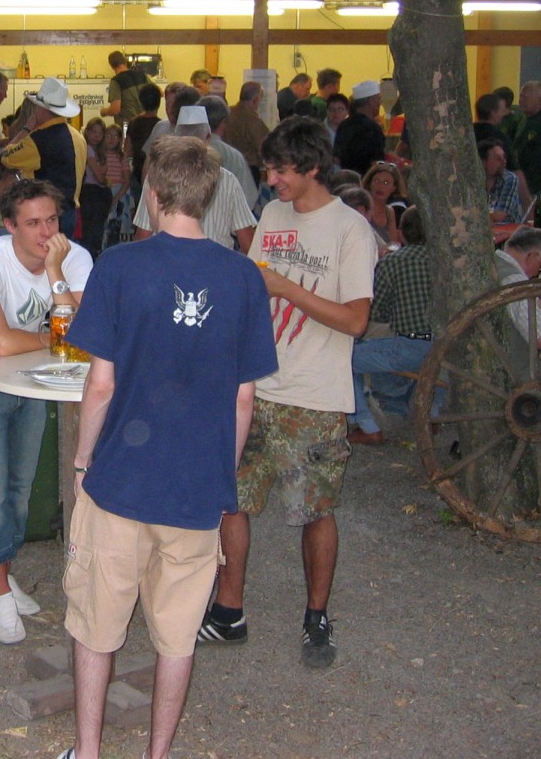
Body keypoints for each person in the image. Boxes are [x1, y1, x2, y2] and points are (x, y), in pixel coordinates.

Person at [56, 136, 277, 759]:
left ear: (152, 194)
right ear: (210, 196)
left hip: (121, 482)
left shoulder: (120, 266)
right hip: (196, 490)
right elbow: (243, 399)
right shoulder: (243, 276)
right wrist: (220, 474)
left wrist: (82, 461)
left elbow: (101, 384)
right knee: (177, 639)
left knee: (96, 627)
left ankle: (89, 752)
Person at [202, 116, 375, 669]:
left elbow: (356, 321)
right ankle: (229, 611)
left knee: (315, 511)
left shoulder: (350, 229)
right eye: (269, 169)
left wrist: (286, 287)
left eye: (280, 170)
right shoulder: (273, 215)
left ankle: (316, 616)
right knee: (232, 500)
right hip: (256, 385)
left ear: (313, 167)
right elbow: (254, 292)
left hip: (314, 395)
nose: (271, 179)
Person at [0, 179, 93, 644]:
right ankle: (0, 592)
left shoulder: (73, 257)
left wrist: (55, 271)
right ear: (8, 226)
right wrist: (56, 339)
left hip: (33, 384)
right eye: (32, 223)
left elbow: (88, 334)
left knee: (20, 488)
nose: (46, 232)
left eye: (52, 220)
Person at [346, 208, 433, 445]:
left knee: (344, 359)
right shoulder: (444, 262)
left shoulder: (392, 262)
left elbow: (378, 313)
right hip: (445, 346)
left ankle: (366, 425)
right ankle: (429, 413)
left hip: (411, 347)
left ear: (401, 233)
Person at [131, 105, 257, 252]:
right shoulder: (228, 180)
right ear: (208, 138)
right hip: (215, 263)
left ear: (176, 138)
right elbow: (248, 244)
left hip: (165, 262)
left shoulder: (157, 177)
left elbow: (142, 238)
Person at [0, 77, 86, 238]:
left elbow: (5, 157)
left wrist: (26, 127)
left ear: (41, 109)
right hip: (71, 211)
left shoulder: (37, 140)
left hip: (43, 213)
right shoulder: (78, 137)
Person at [496, 226, 541, 352]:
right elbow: (540, 339)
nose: (537, 273)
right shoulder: (516, 282)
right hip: (508, 359)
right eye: (540, 265)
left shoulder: (493, 262)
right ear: (532, 256)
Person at [512, 81, 541, 197]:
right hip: (523, 186)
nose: (521, 101)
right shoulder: (521, 120)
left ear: (540, 100)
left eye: (525, 97)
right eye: (520, 97)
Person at [333, 79, 387, 175]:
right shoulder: (373, 128)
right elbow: (377, 163)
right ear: (370, 101)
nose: (380, 103)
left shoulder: (344, 125)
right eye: (378, 99)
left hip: (348, 178)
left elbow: (336, 158)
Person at [79, 118, 113, 259]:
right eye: (93, 131)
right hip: (91, 193)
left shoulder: (99, 151)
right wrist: (104, 179)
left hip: (97, 193)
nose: (96, 136)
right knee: (92, 232)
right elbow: (99, 176)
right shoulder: (87, 149)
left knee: (96, 231)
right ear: (87, 131)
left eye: (100, 132)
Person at [224, 81, 269, 184]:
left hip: (226, 167)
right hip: (249, 170)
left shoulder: (227, 113)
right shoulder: (253, 120)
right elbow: (263, 145)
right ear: (255, 100)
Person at [127, 81, 163, 185]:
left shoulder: (133, 123)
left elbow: (128, 151)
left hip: (137, 172)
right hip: (156, 173)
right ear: (159, 103)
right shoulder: (161, 125)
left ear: (141, 102)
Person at [361, 160, 406, 243]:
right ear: (369, 184)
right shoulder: (362, 209)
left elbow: (394, 244)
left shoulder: (389, 212)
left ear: (393, 188)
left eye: (386, 182)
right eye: (376, 181)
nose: (380, 186)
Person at [101, 51, 149, 124]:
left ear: (112, 66)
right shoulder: (142, 75)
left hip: (127, 125)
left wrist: (103, 112)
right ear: (125, 62)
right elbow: (160, 92)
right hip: (145, 123)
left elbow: (115, 110)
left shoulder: (116, 81)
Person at [481, 139, 522, 222]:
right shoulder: (474, 182)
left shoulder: (509, 179)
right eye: (498, 159)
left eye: (504, 157)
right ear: (483, 162)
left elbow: (499, 216)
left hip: (507, 229)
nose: (504, 161)